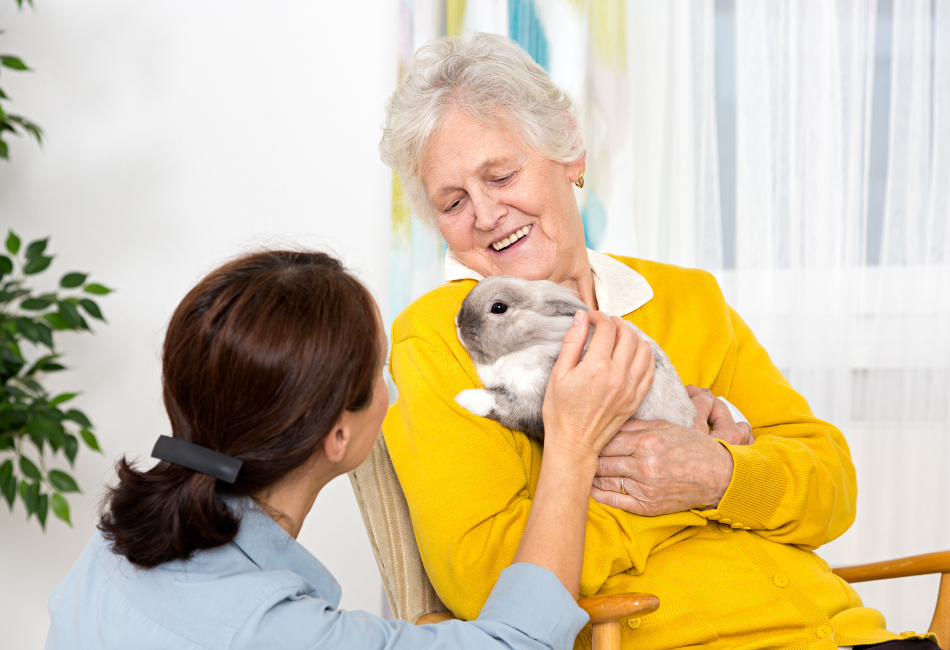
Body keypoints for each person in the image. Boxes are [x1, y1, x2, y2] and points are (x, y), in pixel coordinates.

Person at [379, 33, 939, 650]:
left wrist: (718, 474)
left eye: (501, 174)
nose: (485, 215)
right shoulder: (441, 339)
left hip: (853, 634)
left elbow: (832, 489)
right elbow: (485, 577)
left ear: (569, 150)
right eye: (454, 202)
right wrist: (677, 492)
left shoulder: (687, 298)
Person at [45, 250, 655, 650]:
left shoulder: (105, 555)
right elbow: (518, 643)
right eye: (377, 374)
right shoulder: (278, 633)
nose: (392, 390)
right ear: (338, 436)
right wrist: (573, 440)